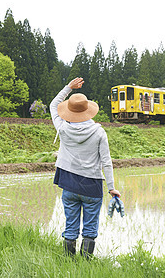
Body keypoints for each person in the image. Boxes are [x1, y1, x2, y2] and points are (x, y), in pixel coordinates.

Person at [50, 77, 121, 258]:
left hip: (69, 184)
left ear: (69, 111)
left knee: (70, 226)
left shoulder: (63, 128)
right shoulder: (98, 132)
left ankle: (69, 262)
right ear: (88, 111)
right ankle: (86, 264)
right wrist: (111, 187)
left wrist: (68, 88)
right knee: (90, 228)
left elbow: (53, 105)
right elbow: (106, 161)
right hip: (92, 186)